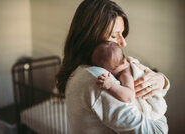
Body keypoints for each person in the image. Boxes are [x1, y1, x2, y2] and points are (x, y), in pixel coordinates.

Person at [56, 0, 170, 133]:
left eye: (122, 33)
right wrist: (160, 117)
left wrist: (162, 81)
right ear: (91, 36)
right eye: (114, 36)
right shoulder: (99, 79)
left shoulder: (80, 71)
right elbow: (156, 131)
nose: (124, 43)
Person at [92, 41, 167, 121]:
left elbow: (130, 96)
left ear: (122, 63)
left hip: (155, 105)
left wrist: (111, 85)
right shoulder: (124, 62)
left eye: (109, 70)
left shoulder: (125, 74)